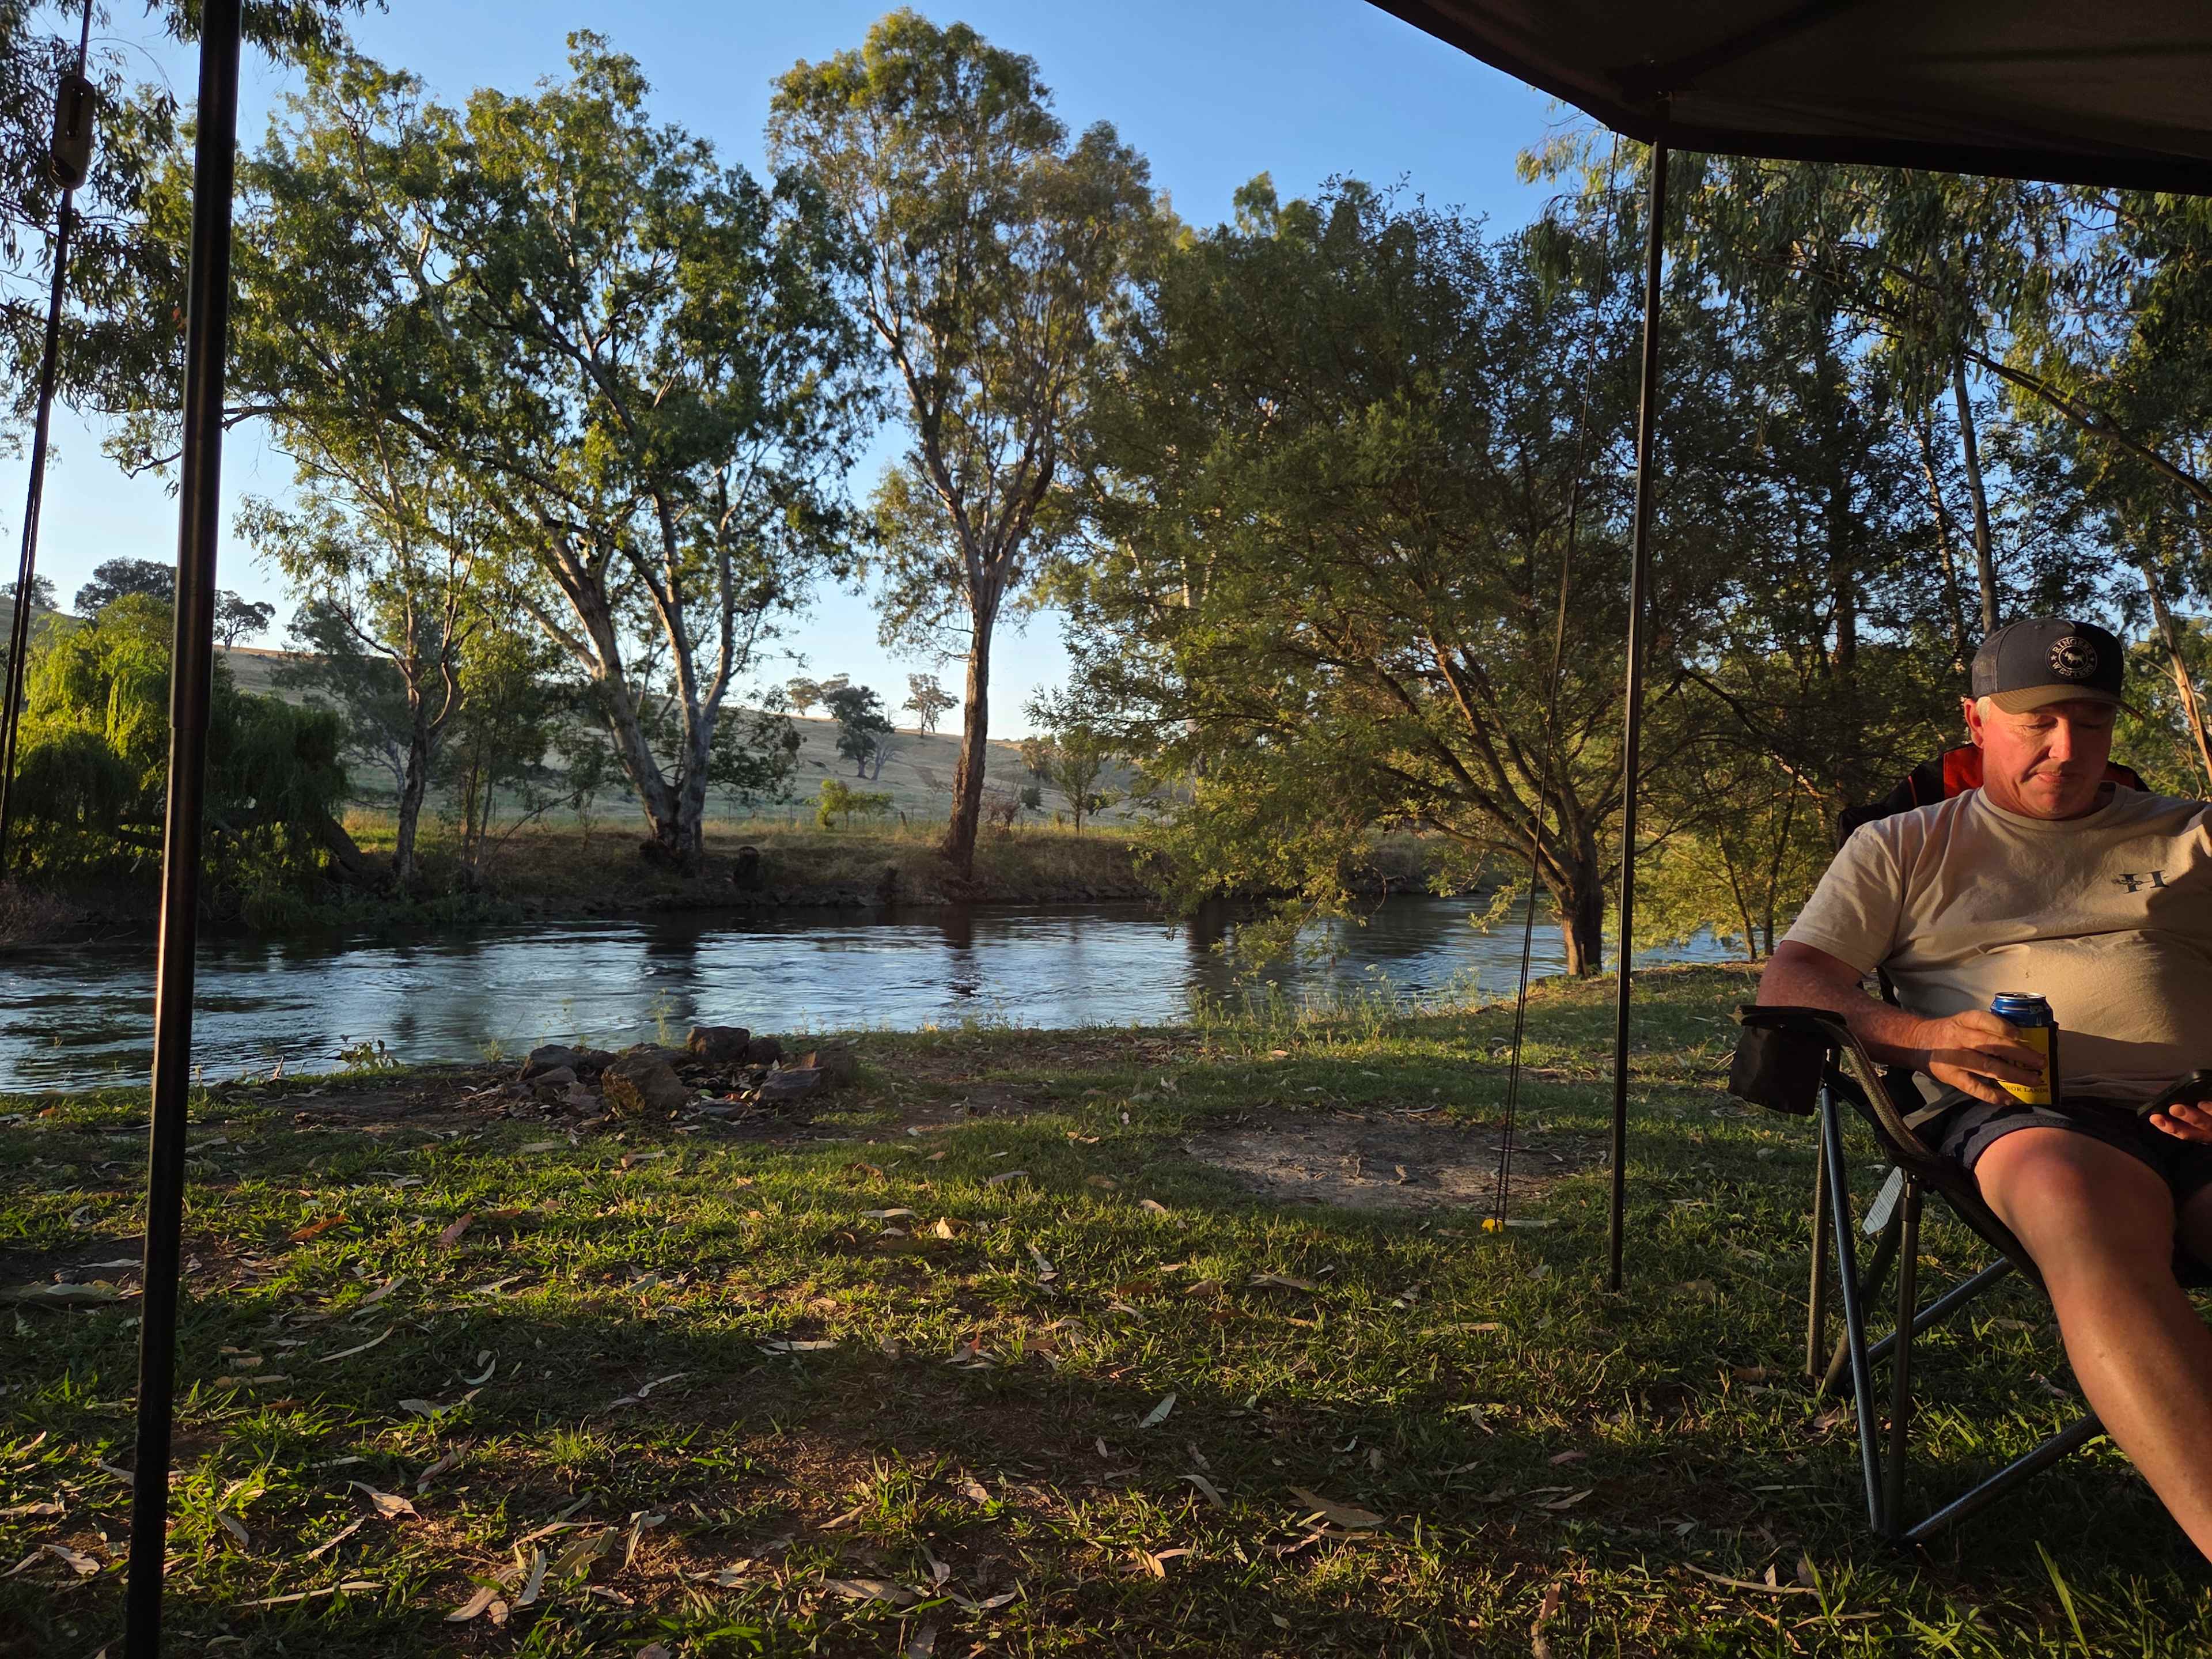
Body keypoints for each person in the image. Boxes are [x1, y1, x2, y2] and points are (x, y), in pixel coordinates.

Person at [1757, 616, 2212, 1557]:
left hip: (2198, 1104)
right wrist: (1920, 1039)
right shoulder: (1903, 845)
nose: (2068, 747)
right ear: (1976, 720)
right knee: (2074, 1200)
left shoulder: (2192, 834)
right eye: (2038, 721)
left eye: (2092, 721)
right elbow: (1794, 982)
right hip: (2023, 1116)